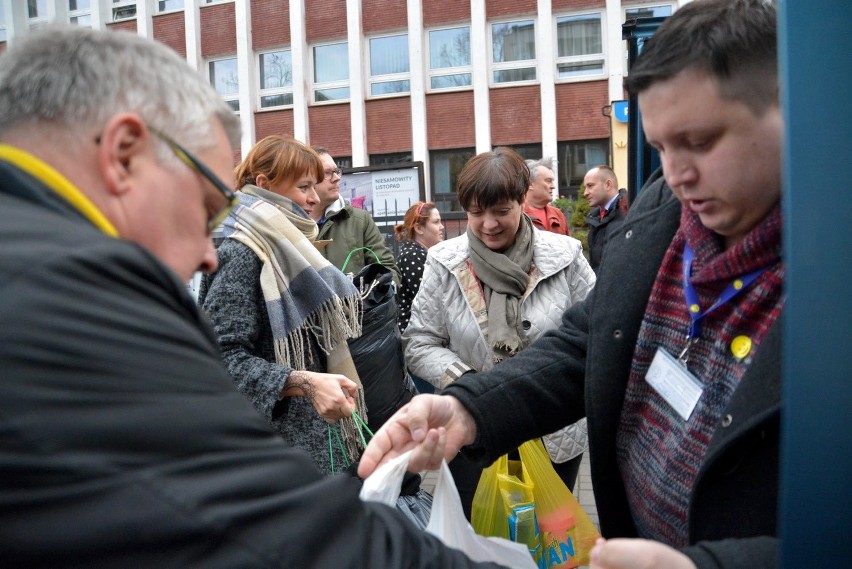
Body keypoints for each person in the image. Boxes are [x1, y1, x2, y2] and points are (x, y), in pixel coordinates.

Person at [0, 26, 507, 568]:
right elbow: (263, 522)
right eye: (207, 209)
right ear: (124, 155)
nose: (208, 253)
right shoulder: (79, 306)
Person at [360, 1, 784, 568]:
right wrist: (469, 408)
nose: (676, 177)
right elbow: (589, 344)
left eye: (702, 142)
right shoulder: (663, 214)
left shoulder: (828, 273)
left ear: (791, 108)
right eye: (660, 148)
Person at [402, 147, 596, 518]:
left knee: (550, 537)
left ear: (522, 201)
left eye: (501, 211)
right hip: (470, 430)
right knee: (476, 536)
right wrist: (473, 386)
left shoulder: (566, 256)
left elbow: (597, 332)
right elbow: (419, 341)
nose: (488, 224)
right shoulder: (445, 262)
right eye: (476, 213)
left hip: (553, 434)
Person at [198, 136, 367, 475]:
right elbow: (220, 360)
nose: (314, 198)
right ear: (265, 184)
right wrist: (304, 382)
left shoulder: (287, 246)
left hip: (314, 448)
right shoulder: (242, 251)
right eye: (304, 187)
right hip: (272, 460)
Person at [310, 146, 402, 286]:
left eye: (336, 172)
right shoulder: (290, 222)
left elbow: (387, 269)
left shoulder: (360, 220)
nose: (336, 179)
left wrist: (371, 300)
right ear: (308, 179)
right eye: (327, 173)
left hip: (357, 307)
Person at [393, 201, 445, 333]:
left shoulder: (424, 253)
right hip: (416, 333)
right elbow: (429, 299)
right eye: (436, 222)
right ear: (419, 228)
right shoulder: (411, 255)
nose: (442, 227)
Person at [583, 165, 627, 271]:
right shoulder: (595, 218)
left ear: (608, 184)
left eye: (590, 186)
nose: (585, 193)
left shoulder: (628, 213)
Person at [524, 156, 570, 235]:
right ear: (530, 184)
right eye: (548, 181)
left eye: (552, 181)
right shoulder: (516, 215)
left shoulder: (558, 214)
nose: (553, 186)